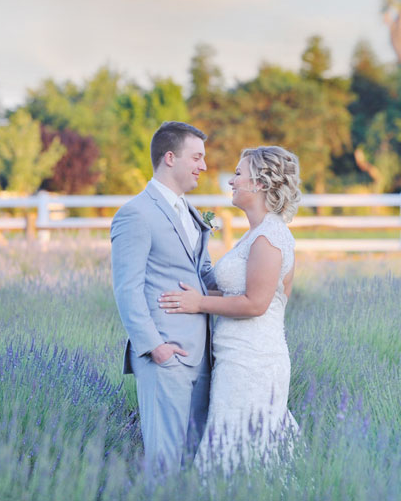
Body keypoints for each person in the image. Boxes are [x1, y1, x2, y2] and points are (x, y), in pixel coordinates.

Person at [159, 145, 301, 473]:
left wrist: (198, 303)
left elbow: (255, 303)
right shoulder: (255, 235)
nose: (232, 182)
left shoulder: (270, 238)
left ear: (261, 183)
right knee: (234, 447)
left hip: (254, 362)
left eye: (238, 174)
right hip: (237, 358)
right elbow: (233, 290)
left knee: (240, 449)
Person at [110, 121, 217, 472]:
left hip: (202, 357)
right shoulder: (135, 214)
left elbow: (202, 274)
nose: (203, 166)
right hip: (165, 356)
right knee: (165, 465)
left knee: (194, 464)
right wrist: (155, 347)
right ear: (170, 158)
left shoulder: (192, 212)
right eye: (197, 157)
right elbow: (127, 288)